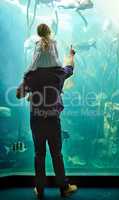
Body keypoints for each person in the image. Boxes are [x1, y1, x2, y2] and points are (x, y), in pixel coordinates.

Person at [16, 23, 77, 200]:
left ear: (37, 54)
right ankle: (64, 188)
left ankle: (40, 189)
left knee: (39, 154)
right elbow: (70, 67)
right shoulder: (58, 73)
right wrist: (71, 55)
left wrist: (26, 85)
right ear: (54, 51)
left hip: (36, 120)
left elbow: (19, 94)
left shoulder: (32, 75)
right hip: (53, 120)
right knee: (57, 154)